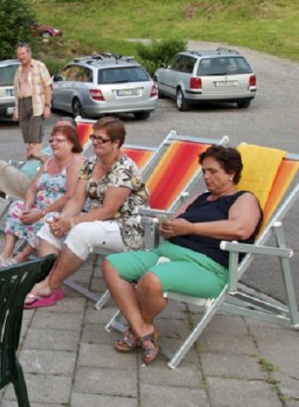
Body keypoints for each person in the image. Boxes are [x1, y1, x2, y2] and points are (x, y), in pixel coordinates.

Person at [102, 146, 262, 365]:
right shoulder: (199, 198)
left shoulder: (243, 199)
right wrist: (168, 228)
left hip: (206, 266)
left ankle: (139, 326)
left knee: (152, 279)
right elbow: (175, 221)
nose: (206, 176)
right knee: (111, 265)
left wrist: (192, 228)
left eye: (213, 171)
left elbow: (241, 229)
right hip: (166, 253)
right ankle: (142, 329)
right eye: (204, 171)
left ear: (231, 173)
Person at [24, 116, 149, 309]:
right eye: (93, 137)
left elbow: (108, 210)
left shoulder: (124, 169)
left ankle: (51, 286)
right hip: (98, 222)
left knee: (81, 232)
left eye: (101, 139)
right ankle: (46, 280)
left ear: (116, 143)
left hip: (126, 228)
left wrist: (72, 222)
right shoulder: (91, 164)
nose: (95, 142)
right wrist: (63, 219)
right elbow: (77, 199)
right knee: (51, 224)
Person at [0, 125, 85, 270]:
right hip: (40, 206)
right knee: (16, 207)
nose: (53, 144)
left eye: (59, 140)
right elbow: (32, 189)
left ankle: (21, 257)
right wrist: (27, 208)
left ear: (72, 143)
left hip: (63, 210)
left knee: (48, 219)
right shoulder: (49, 161)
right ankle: (6, 254)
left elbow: (70, 196)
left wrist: (40, 213)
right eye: (52, 140)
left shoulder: (76, 163)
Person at [12, 43, 53, 160]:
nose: (21, 57)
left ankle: (37, 164)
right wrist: (16, 110)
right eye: (19, 55)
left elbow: (48, 87)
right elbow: (17, 91)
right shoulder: (18, 70)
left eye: (23, 54)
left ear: (29, 53)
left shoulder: (40, 66)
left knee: (35, 140)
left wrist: (47, 106)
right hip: (22, 104)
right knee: (28, 143)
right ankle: (29, 164)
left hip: (36, 105)